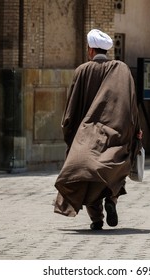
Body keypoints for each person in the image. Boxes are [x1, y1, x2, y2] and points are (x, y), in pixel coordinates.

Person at [53, 29, 142, 230]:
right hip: (116, 132)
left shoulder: (83, 70)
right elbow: (131, 103)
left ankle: (97, 219)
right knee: (114, 168)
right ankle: (111, 199)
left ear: (90, 49)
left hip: (87, 134)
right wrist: (136, 129)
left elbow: (72, 108)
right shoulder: (122, 69)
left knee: (87, 175)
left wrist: (70, 132)